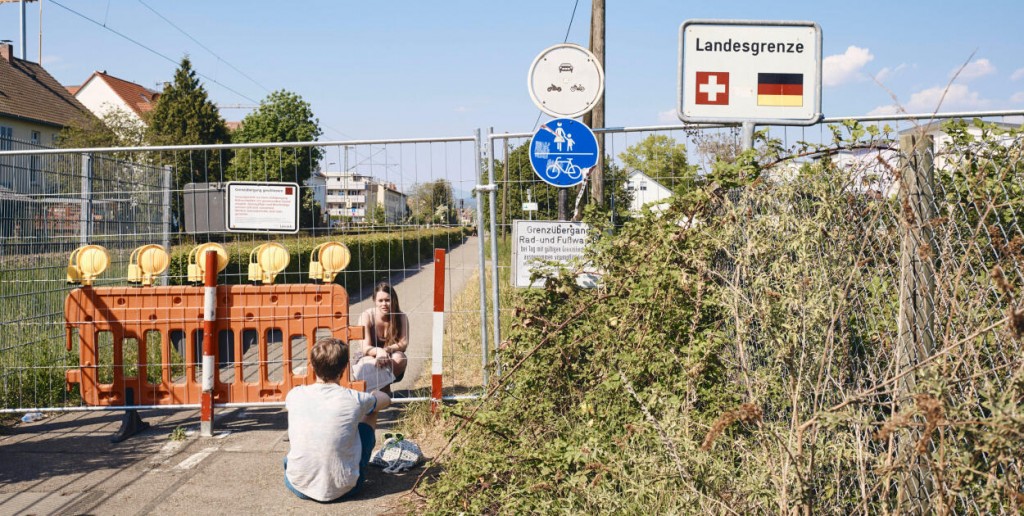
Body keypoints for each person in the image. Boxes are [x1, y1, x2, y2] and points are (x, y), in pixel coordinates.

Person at [284, 337, 391, 502]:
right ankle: (352, 466)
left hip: (298, 485)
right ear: (345, 367)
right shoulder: (355, 399)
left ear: (312, 366)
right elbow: (386, 400)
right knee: (371, 412)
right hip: (347, 488)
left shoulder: (294, 394)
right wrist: (375, 395)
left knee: (294, 451)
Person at [354, 281, 410, 384]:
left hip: (390, 356)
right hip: (367, 356)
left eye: (387, 300)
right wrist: (379, 352)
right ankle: (382, 391)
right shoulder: (367, 316)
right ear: (374, 301)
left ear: (393, 300)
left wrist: (387, 350)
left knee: (400, 357)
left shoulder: (401, 316)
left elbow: (404, 344)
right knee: (368, 362)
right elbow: (365, 347)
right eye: (380, 300)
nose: (384, 304)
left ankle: (381, 391)